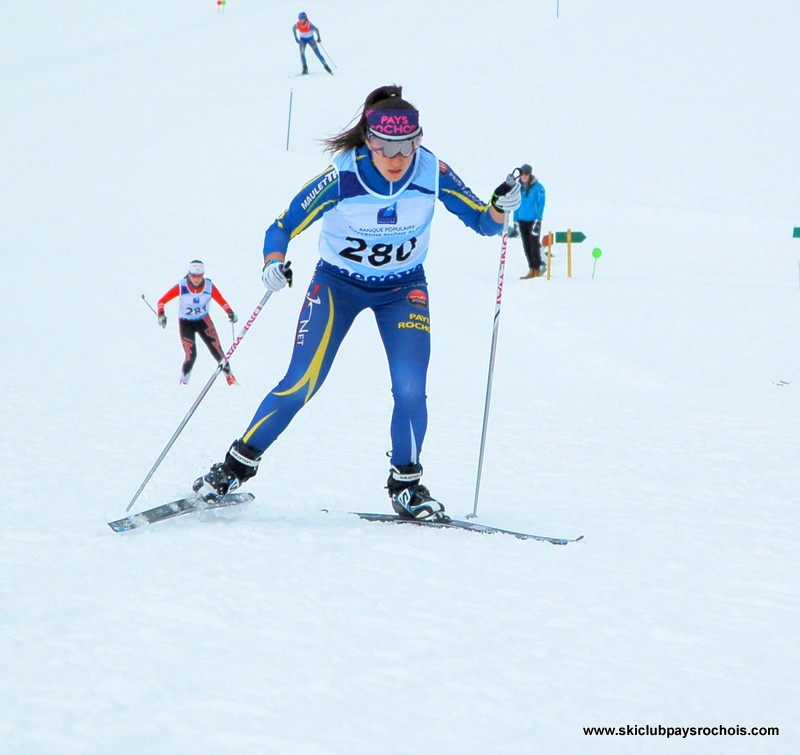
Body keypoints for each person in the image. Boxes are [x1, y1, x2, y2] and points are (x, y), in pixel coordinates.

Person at [192, 84, 521, 521]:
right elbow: (282, 225)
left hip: (403, 290)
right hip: (337, 286)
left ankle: (406, 485)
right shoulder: (343, 176)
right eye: (386, 146)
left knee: (410, 390)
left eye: (407, 145)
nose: (397, 158)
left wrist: (501, 207)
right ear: (369, 140)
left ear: (419, 140)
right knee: (300, 384)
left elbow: (483, 221)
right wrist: (274, 263)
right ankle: (232, 469)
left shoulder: (432, 172)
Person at [156, 260, 239, 386]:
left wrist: (230, 312)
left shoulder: (209, 286)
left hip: (203, 321)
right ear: (189, 274)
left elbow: (221, 300)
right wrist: (161, 315)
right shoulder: (182, 286)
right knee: (191, 354)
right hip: (186, 323)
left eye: (199, 276)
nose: (196, 279)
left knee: (217, 351)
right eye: (193, 276)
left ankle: (230, 379)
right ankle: (183, 383)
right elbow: (161, 301)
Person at [514, 164, 546, 279]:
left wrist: (538, 219)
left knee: (534, 245)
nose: (524, 177)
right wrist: (515, 220)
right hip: (522, 220)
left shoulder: (538, 188)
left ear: (530, 174)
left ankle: (536, 269)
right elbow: (515, 204)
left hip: (533, 221)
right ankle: (531, 268)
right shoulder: (518, 187)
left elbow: (541, 204)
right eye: (522, 174)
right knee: (526, 245)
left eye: (526, 174)